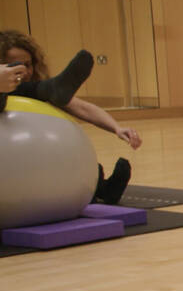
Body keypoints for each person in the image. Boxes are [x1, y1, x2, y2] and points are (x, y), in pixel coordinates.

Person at [2, 30, 141, 203]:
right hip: (13, 169)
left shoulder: (36, 95)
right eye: (15, 65)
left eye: (27, 65)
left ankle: (104, 190)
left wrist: (117, 128)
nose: (24, 71)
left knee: (89, 170)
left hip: (45, 165)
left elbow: (82, 108)